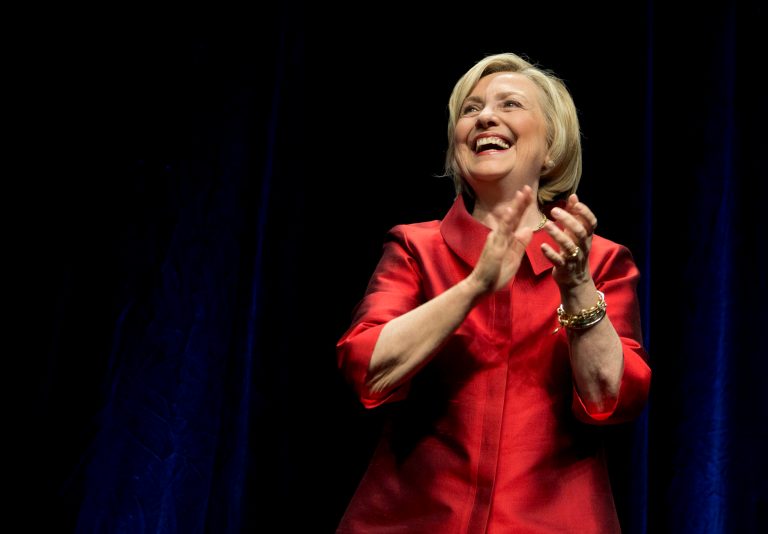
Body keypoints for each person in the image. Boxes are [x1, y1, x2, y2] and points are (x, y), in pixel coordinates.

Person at [335, 52, 651, 533]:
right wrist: (474, 287)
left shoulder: (601, 260)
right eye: (470, 109)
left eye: (510, 104)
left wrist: (578, 286)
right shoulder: (416, 247)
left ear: (550, 148)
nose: (485, 117)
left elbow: (612, 401)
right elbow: (366, 371)